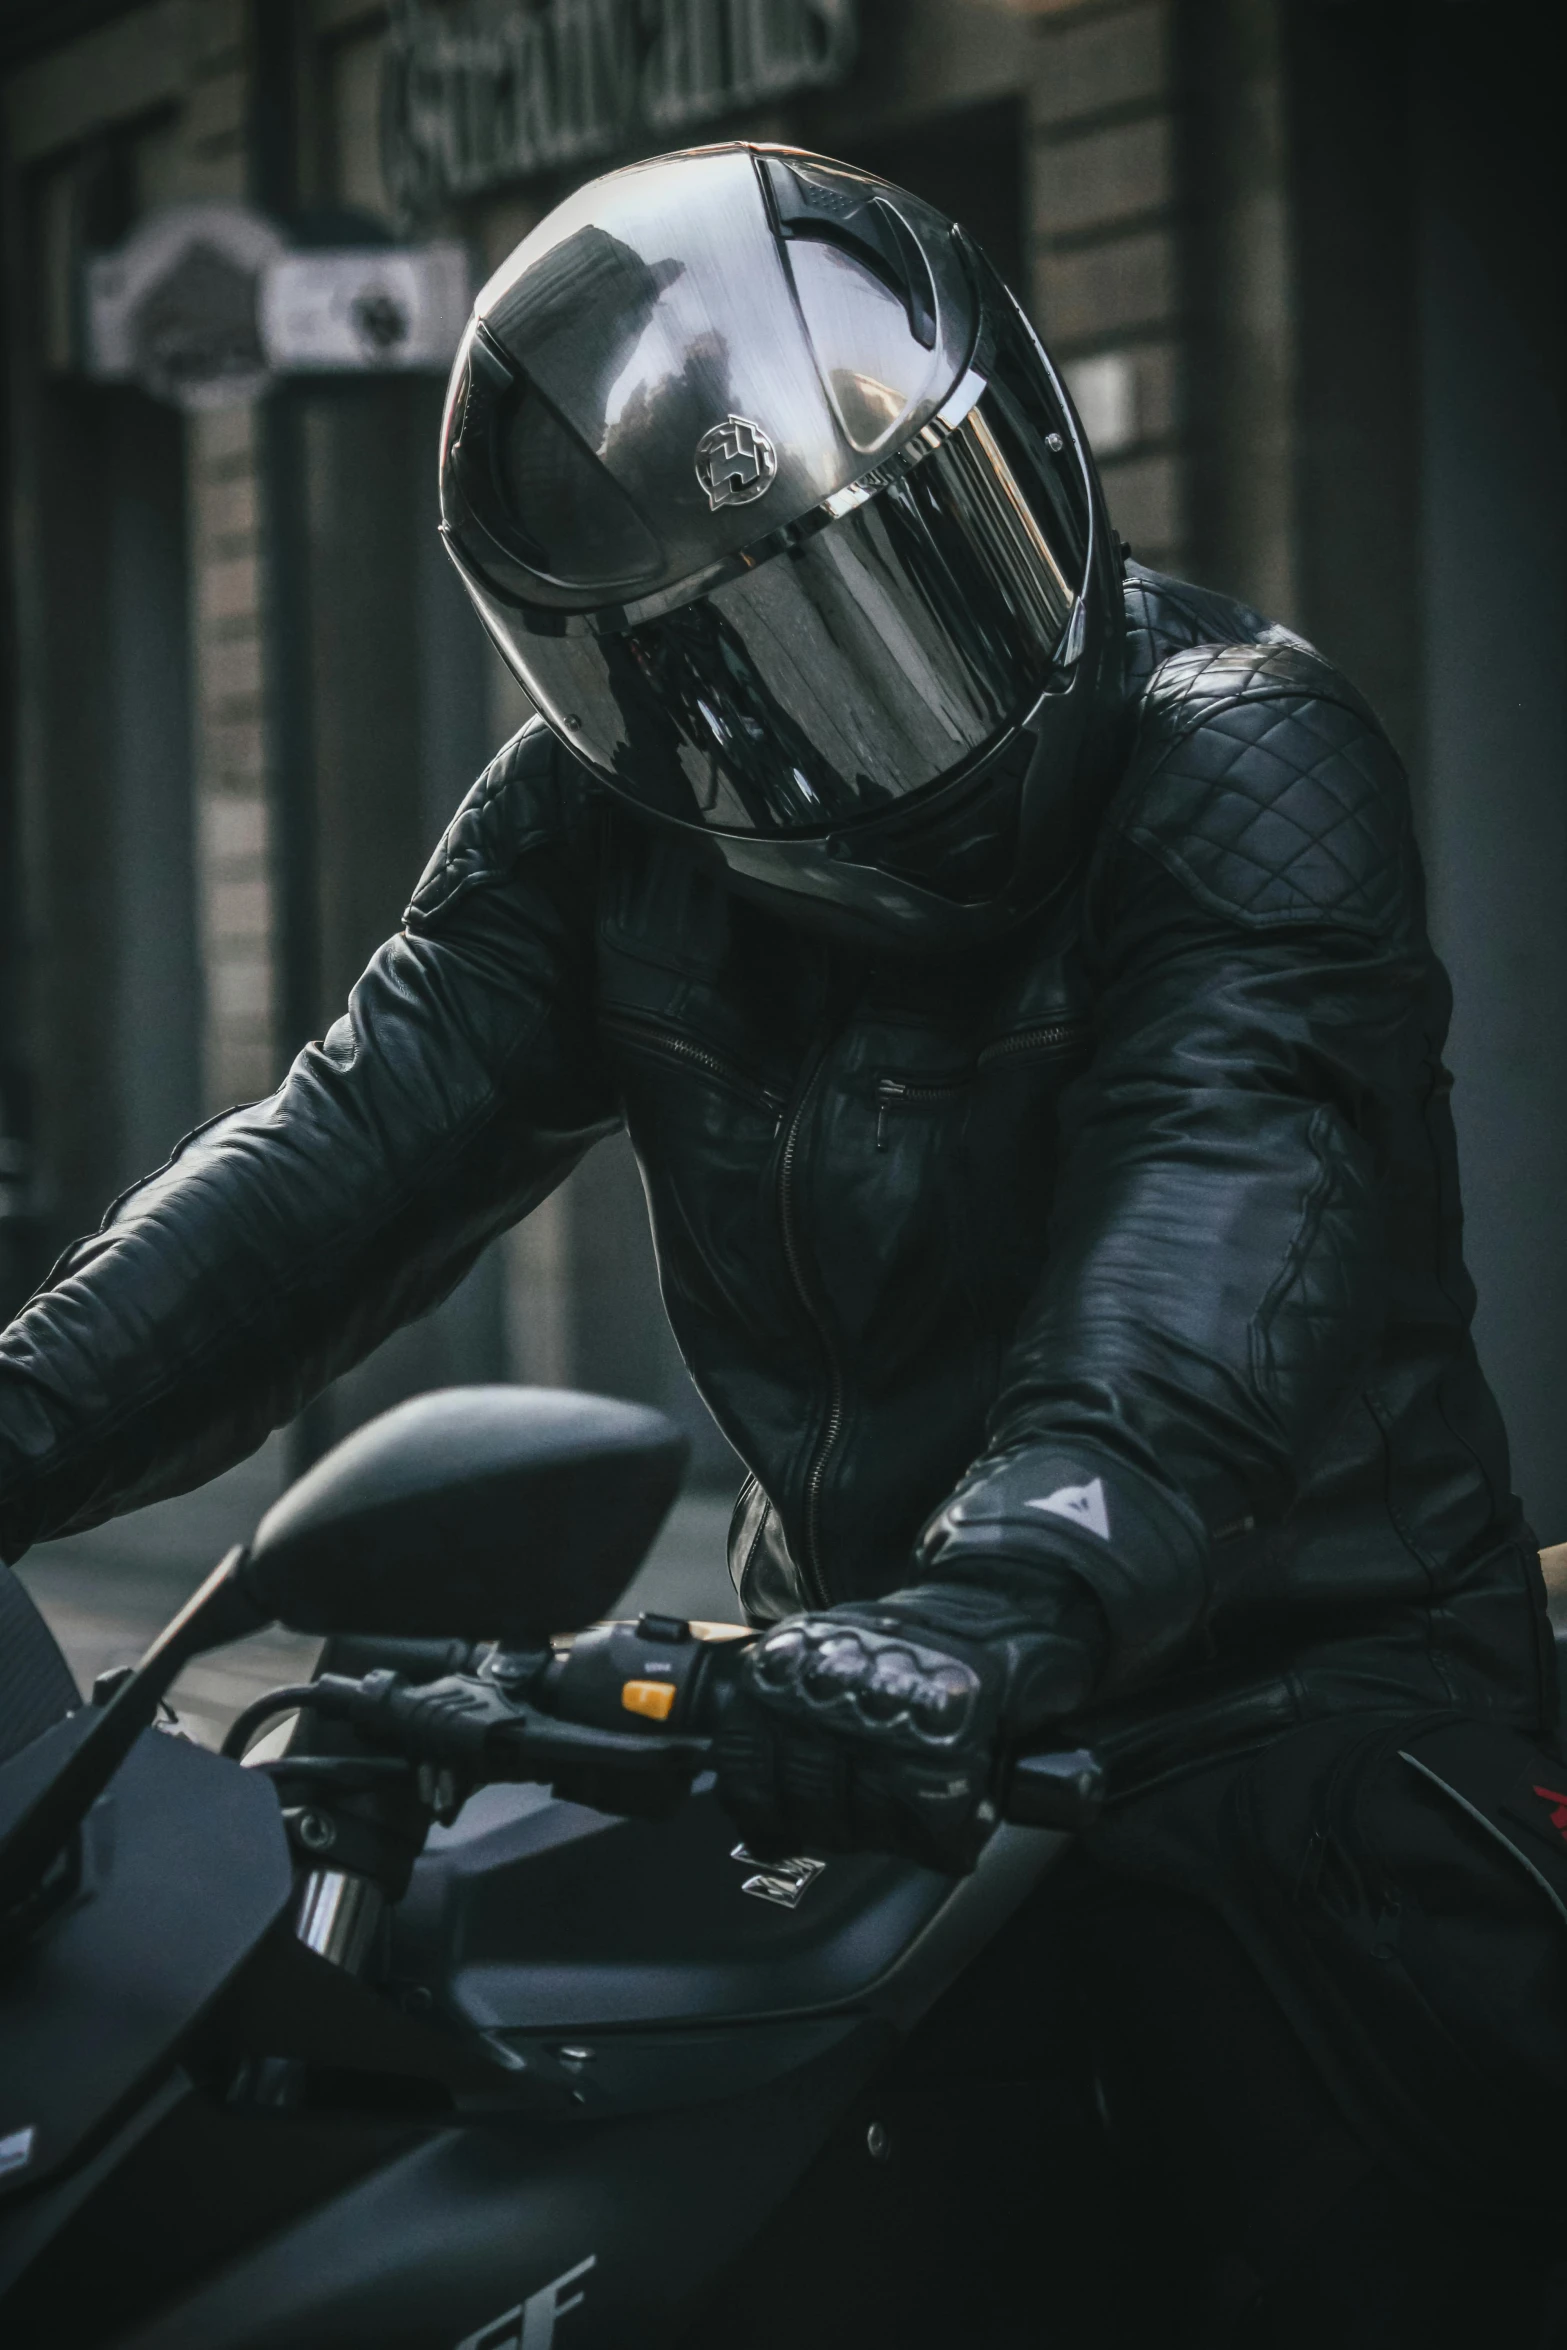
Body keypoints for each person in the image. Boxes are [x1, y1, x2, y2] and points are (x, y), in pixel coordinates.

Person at [0, 148, 1560, 2341]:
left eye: (924, 568)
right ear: (623, 690)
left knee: (1337, 2222)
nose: (887, 709)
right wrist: (15, 1418)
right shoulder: (588, 829)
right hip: (856, 1723)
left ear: (1024, 445)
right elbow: (333, 1159)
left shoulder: (1239, 753)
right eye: (763, 660)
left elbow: (1219, 1239)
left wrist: (991, 1609)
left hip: (1276, 1708)